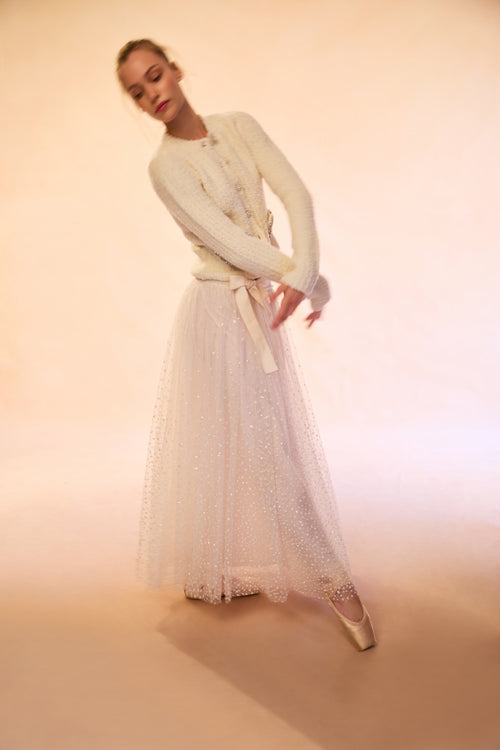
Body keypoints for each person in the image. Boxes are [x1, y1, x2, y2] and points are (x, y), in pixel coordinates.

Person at [116, 38, 377, 651]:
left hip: (258, 305)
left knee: (256, 443)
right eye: (137, 91)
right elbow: (230, 245)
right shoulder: (165, 168)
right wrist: (308, 280)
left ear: (176, 70)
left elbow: (296, 195)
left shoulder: (238, 125)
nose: (152, 94)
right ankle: (336, 583)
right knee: (262, 452)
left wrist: (303, 272)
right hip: (217, 313)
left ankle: (212, 574)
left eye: (156, 76)